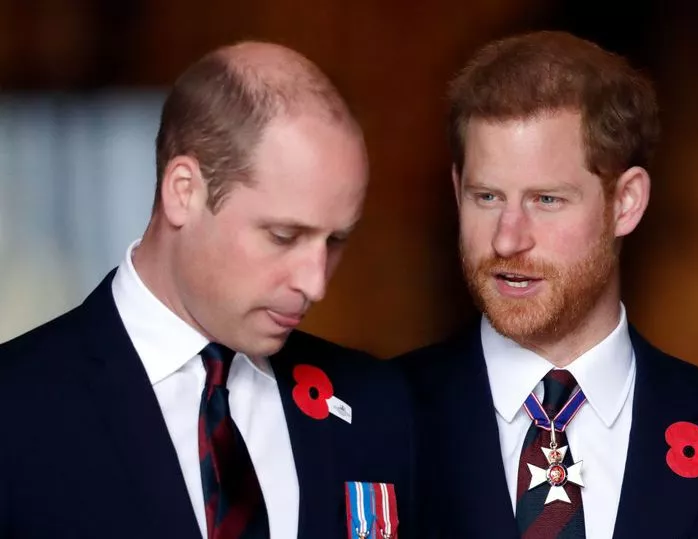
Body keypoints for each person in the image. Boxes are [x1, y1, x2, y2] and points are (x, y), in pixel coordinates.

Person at [400, 31, 698, 539]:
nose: (507, 239)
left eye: (546, 200)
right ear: (457, 189)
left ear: (626, 202)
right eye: (487, 197)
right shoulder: (367, 423)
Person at [0, 42, 415, 539]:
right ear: (184, 191)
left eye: (336, 240)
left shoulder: (377, 405)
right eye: (283, 236)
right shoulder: (16, 409)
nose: (316, 282)